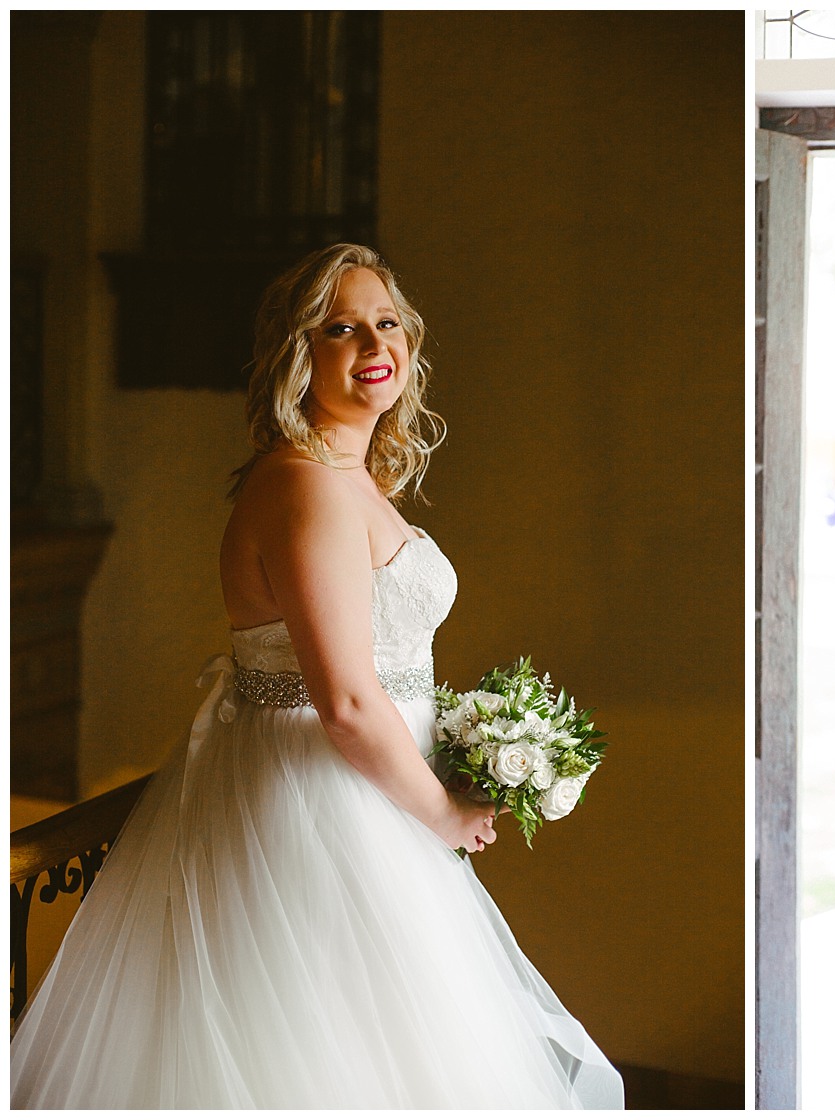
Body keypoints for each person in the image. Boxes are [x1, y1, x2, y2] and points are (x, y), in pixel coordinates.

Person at [10, 244, 625, 1109]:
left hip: (371, 800)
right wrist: (443, 810)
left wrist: (452, 748)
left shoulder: (351, 476)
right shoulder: (306, 486)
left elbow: (384, 669)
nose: (371, 341)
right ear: (300, 357)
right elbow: (342, 700)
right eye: (340, 328)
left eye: (385, 322)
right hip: (318, 813)